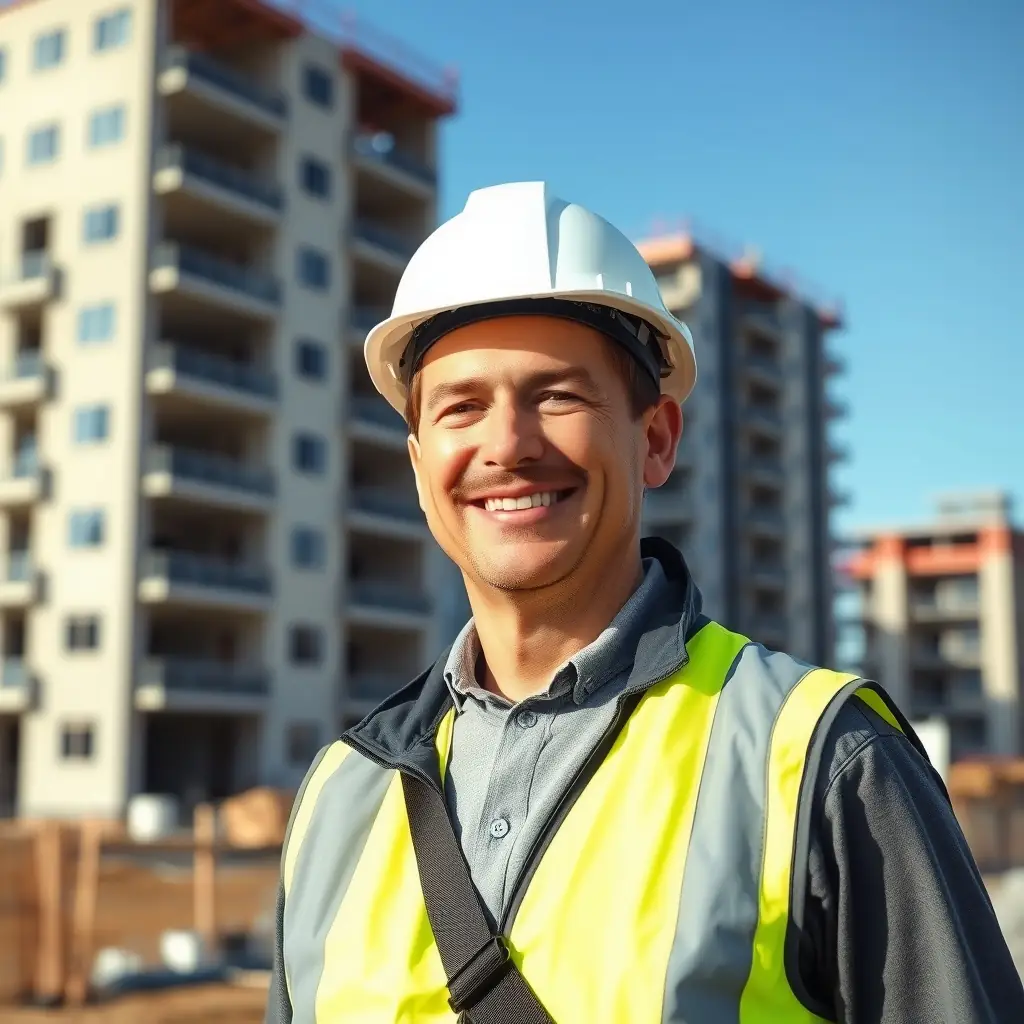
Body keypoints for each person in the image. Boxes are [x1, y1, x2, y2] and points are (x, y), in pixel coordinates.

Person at [266, 182, 1023, 1023]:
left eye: (558, 395)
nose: (507, 445)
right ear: (418, 464)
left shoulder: (823, 759)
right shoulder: (343, 790)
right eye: (462, 407)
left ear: (657, 438)